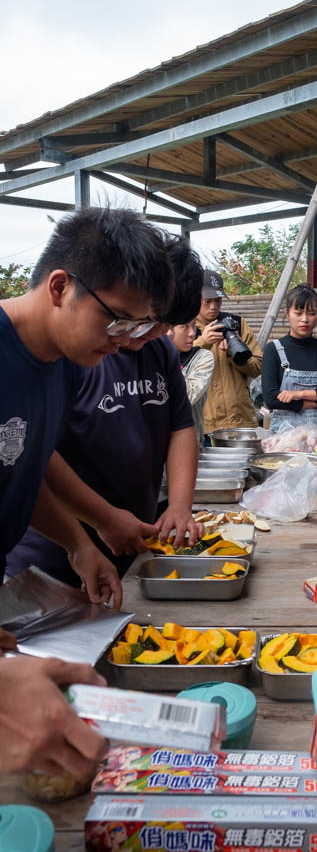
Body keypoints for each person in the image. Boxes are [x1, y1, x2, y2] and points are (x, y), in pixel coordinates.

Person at [0, 206, 173, 602]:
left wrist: (80, 544)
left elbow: (27, 467)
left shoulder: (65, 364)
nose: (123, 338)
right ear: (59, 287)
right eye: (117, 319)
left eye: (135, 324)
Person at [261, 284, 317, 431]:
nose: (305, 319)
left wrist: (298, 394)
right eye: (298, 312)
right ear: (287, 314)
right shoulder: (273, 350)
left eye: (311, 313)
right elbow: (271, 399)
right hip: (283, 436)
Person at [194, 270, 262, 435]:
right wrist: (203, 342)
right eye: (208, 301)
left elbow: (257, 368)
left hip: (240, 421)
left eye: (218, 301)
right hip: (203, 425)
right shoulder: (184, 327)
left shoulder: (237, 324)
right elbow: (178, 367)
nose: (214, 307)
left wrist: (234, 355)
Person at [167, 320, 214, 443]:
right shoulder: (150, 356)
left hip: (187, 443)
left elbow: (189, 396)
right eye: (184, 326)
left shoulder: (202, 357)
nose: (192, 333)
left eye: (194, 325)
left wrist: (168, 355)